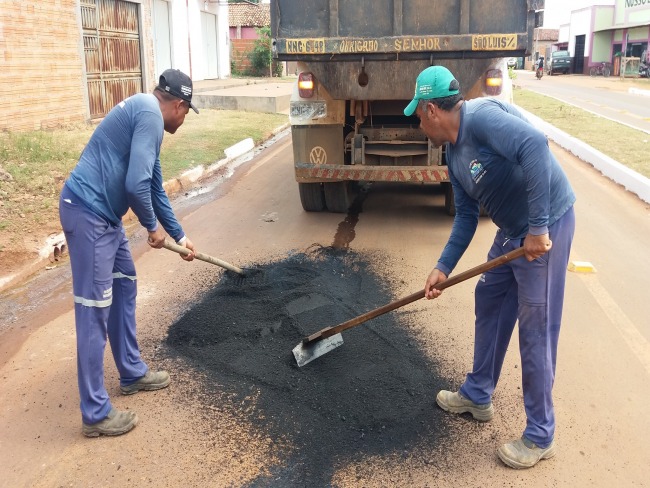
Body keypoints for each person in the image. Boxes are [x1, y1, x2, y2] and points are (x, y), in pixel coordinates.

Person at [404, 66, 576, 469]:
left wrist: (537, 229)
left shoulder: (480, 119)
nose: (418, 122)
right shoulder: (452, 152)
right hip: (514, 231)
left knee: (536, 326)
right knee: (490, 296)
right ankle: (478, 392)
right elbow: (465, 216)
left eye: (418, 114)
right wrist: (443, 267)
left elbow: (535, 145)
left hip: (545, 225)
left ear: (431, 110)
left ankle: (540, 435)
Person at [59, 69, 199, 437]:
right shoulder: (151, 115)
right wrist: (152, 228)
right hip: (88, 212)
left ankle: (132, 373)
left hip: (107, 218)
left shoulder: (146, 113)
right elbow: (135, 185)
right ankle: (95, 413)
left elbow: (152, 184)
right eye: (186, 112)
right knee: (93, 312)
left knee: (124, 285)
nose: (183, 120)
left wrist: (179, 236)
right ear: (179, 105)